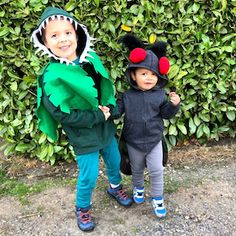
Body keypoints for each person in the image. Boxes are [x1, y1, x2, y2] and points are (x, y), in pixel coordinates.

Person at [31, 7, 132, 232]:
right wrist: (98, 114)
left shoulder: (91, 60)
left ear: (76, 34)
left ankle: (115, 187)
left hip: (104, 128)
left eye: (67, 32)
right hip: (83, 134)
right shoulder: (51, 76)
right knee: (89, 173)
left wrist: (111, 109)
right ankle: (82, 207)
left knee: (115, 160)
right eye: (54, 35)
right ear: (45, 42)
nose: (63, 39)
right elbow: (62, 113)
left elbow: (105, 89)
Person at [116, 34, 180, 218]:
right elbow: (116, 111)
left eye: (153, 74)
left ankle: (157, 198)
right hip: (133, 141)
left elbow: (166, 114)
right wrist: (107, 110)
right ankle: (138, 188)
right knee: (136, 167)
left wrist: (173, 105)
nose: (149, 78)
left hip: (154, 140)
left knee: (156, 169)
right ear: (133, 75)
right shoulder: (127, 96)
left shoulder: (160, 95)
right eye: (143, 73)